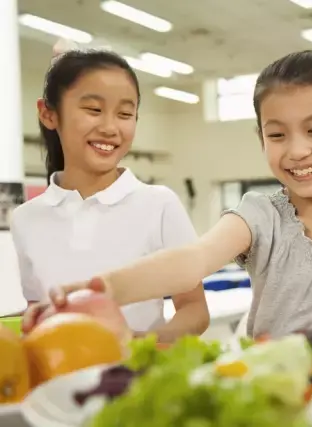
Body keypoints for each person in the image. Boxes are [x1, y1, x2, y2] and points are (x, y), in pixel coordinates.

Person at [23, 50, 312, 338]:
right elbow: (192, 261)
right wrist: (102, 289)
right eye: (277, 134)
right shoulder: (258, 215)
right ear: (261, 138)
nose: (296, 150)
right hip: (279, 400)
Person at [11, 47, 208, 343]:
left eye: (125, 114)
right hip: (57, 380)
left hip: (136, 381)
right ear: (48, 114)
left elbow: (194, 308)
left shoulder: (159, 204)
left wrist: (145, 344)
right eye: (93, 110)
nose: (110, 127)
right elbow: (37, 309)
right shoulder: (25, 218)